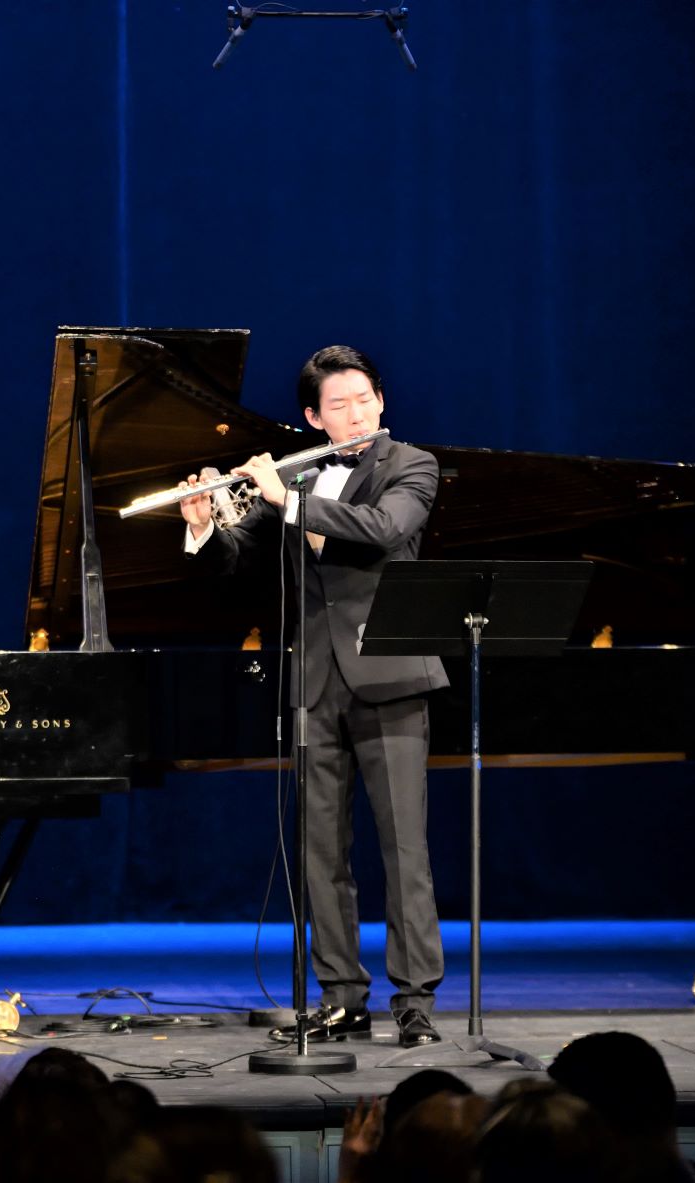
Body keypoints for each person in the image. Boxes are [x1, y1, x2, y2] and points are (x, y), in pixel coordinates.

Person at [180, 345, 448, 1047]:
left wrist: (287, 500)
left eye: (364, 400)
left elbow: (384, 530)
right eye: (338, 405)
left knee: (404, 848)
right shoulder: (298, 475)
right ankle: (341, 996)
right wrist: (205, 521)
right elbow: (237, 561)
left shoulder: (411, 465)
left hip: (391, 675)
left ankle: (415, 1001)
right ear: (313, 417)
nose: (355, 414)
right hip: (314, 684)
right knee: (321, 851)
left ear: (381, 401)